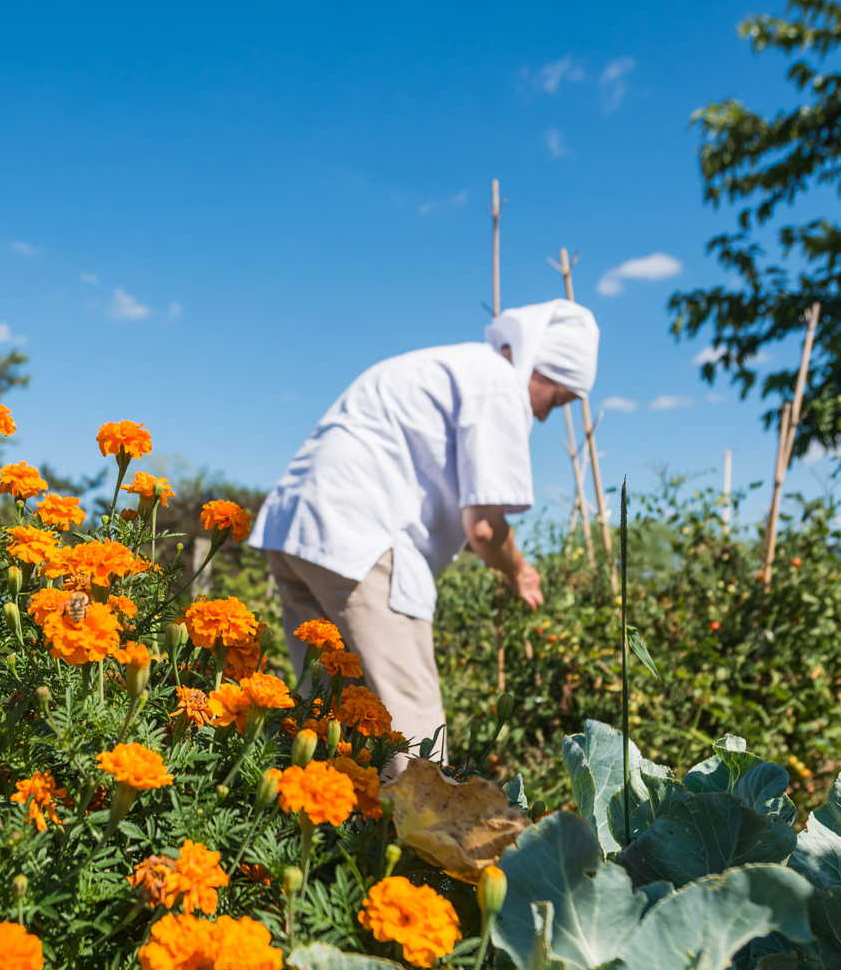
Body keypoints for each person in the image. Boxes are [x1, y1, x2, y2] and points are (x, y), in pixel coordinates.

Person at [248, 299, 598, 760]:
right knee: (413, 737)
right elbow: (486, 529)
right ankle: (424, 834)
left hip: (296, 530)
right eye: (558, 401)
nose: (546, 417)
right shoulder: (498, 385)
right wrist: (519, 572)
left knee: (331, 717)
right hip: (359, 538)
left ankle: (324, 824)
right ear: (541, 372)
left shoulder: (450, 366)